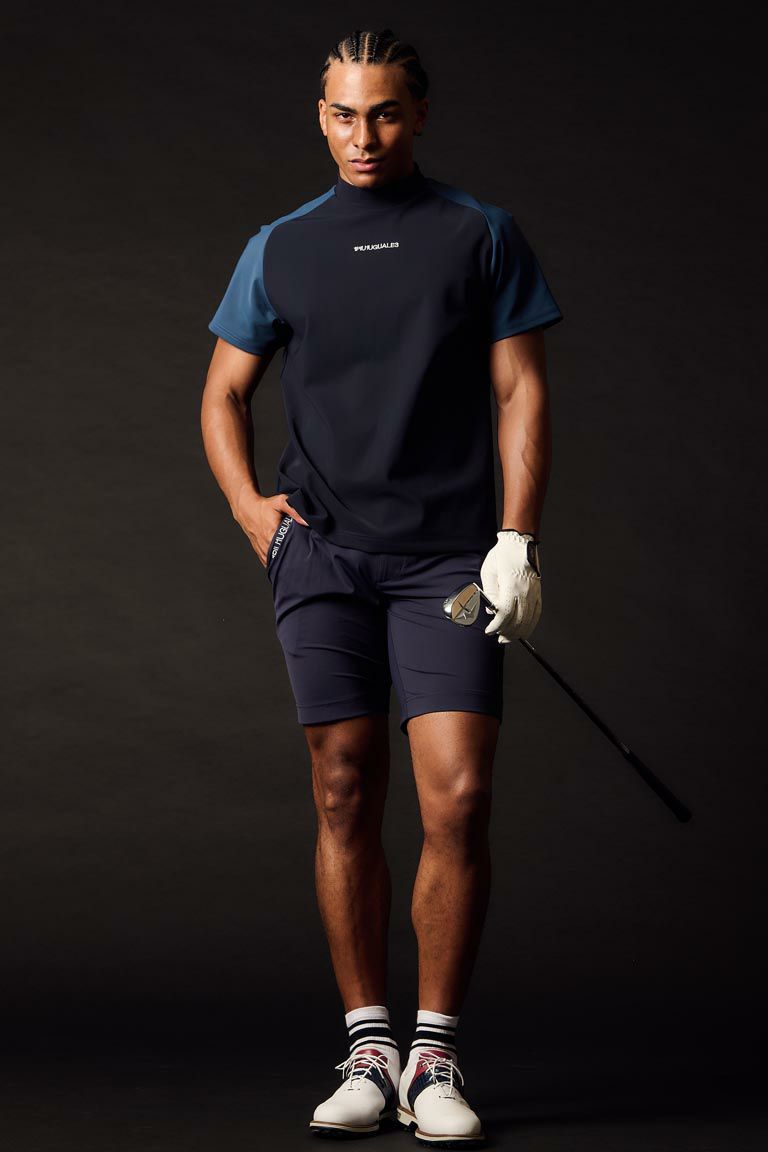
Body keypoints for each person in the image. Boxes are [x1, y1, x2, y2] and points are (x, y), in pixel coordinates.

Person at [201, 27, 562, 1148]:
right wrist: (252, 511)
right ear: (321, 117)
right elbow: (223, 394)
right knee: (344, 788)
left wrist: (517, 540)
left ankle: (434, 1054)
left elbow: (520, 391)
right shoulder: (278, 247)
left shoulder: (479, 233)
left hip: (448, 561)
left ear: (419, 114)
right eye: (345, 115)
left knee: (459, 797)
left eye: (386, 113)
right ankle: (368, 1046)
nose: (364, 136)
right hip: (324, 558)